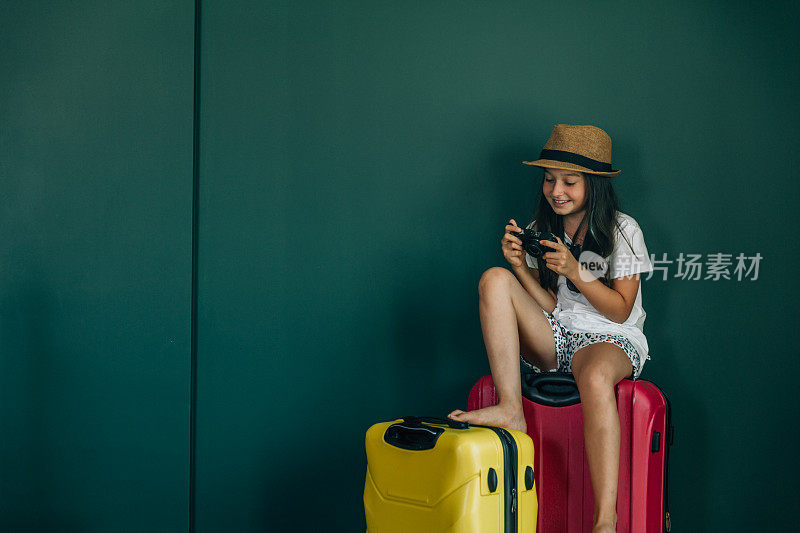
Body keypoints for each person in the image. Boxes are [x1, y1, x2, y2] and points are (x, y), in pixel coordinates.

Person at [448, 124, 653, 533]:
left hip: (611, 338)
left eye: (569, 182)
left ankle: (605, 520)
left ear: (593, 185)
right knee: (493, 279)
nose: (556, 190)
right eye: (549, 179)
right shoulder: (547, 226)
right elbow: (553, 306)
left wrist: (577, 271)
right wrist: (520, 268)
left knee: (594, 374)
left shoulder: (623, 229)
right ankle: (511, 408)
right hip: (560, 334)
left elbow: (619, 310)